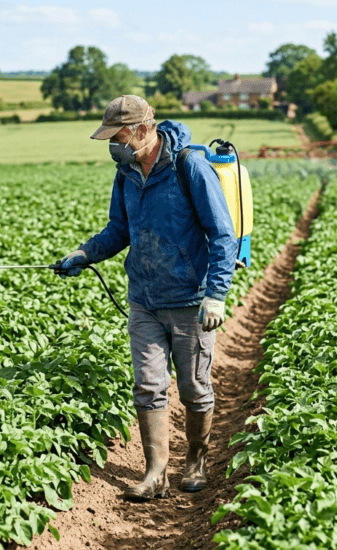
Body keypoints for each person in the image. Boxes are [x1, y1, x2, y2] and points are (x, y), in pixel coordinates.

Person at [58, 95, 237, 500]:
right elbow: (118, 231)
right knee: (148, 386)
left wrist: (216, 294)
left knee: (193, 388)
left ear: (143, 129)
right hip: (144, 298)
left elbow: (222, 234)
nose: (113, 145)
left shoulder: (189, 166)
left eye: (118, 135)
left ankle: (195, 459)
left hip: (190, 298)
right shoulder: (125, 173)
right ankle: (156, 472)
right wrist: (85, 253)